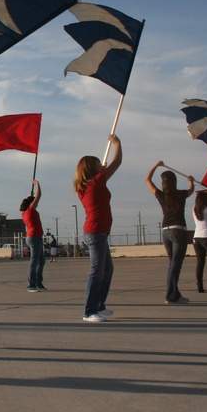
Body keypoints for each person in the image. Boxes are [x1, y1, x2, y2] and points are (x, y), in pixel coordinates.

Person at [75, 134, 123, 323]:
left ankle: (99, 305)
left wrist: (100, 171)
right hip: (95, 233)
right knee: (97, 271)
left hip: (98, 233)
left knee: (107, 270)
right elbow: (117, 162)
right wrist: (117, 144)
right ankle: (89, 311)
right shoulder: (95, 183)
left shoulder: (87, 185)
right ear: (92, 168)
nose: (100, 165)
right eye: (97, 164)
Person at [146, 162, 194, 304]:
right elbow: (191, 190)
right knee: (175, 265)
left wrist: (155, 166)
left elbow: (147, 180)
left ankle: (175, 294)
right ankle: (171, 296)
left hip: (165, 231)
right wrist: (191, 181)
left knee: (172, 264)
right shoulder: (181, 194)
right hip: (178, 231)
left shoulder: (161, 195)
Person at [21, 180, 45, 292]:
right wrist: (38, 185)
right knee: (34, 261)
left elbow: (33, 199)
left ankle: (38, 283)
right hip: (34, 237)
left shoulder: (25, 212)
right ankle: (31, 285)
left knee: (41, 261)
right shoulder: (31, 210)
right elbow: (39, 195)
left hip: (35, 237)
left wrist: (30, 195)